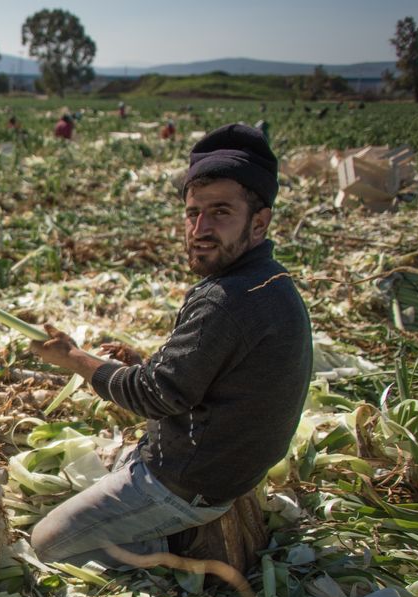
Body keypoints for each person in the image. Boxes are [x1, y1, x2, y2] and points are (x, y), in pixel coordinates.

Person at [26, 124, 312, 568]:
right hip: (229, 466)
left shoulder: (229, 299)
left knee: (47, 544)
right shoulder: (271, 281)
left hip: (192, 481)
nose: (200, 229)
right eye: (193, 212)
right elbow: (207, 376)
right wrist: (140, 362)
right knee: (112, 463)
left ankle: (181, 546)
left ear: (259, 222)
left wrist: (74, 359)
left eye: (220, 213)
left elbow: (154, 396)